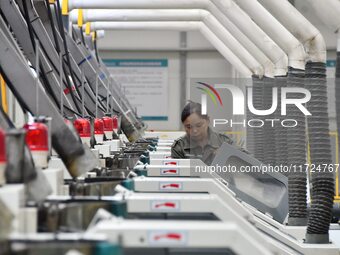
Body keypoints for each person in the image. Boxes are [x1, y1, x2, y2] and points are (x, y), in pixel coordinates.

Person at [171, 101, 235, 165]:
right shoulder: (179, 147)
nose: (194, 130)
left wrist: (226, 156)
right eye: (189, 127)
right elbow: (179, 173)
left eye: (199, 125)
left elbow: (241, 164)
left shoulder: (224, 142)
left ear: (208, 121)